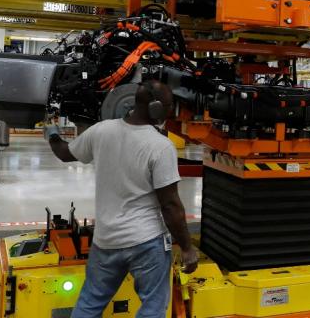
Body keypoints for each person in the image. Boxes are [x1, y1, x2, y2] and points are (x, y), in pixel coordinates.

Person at [44, 81, 199, 318]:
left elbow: (65, 153)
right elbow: (170, 205)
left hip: (106, 240)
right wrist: (187, 248)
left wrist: (53, 134)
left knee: (90, 303)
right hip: (146, 243)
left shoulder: (101, 131)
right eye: (169, 106)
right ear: (156, 109)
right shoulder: (160, 146)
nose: (171, 111)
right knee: (152, 308)